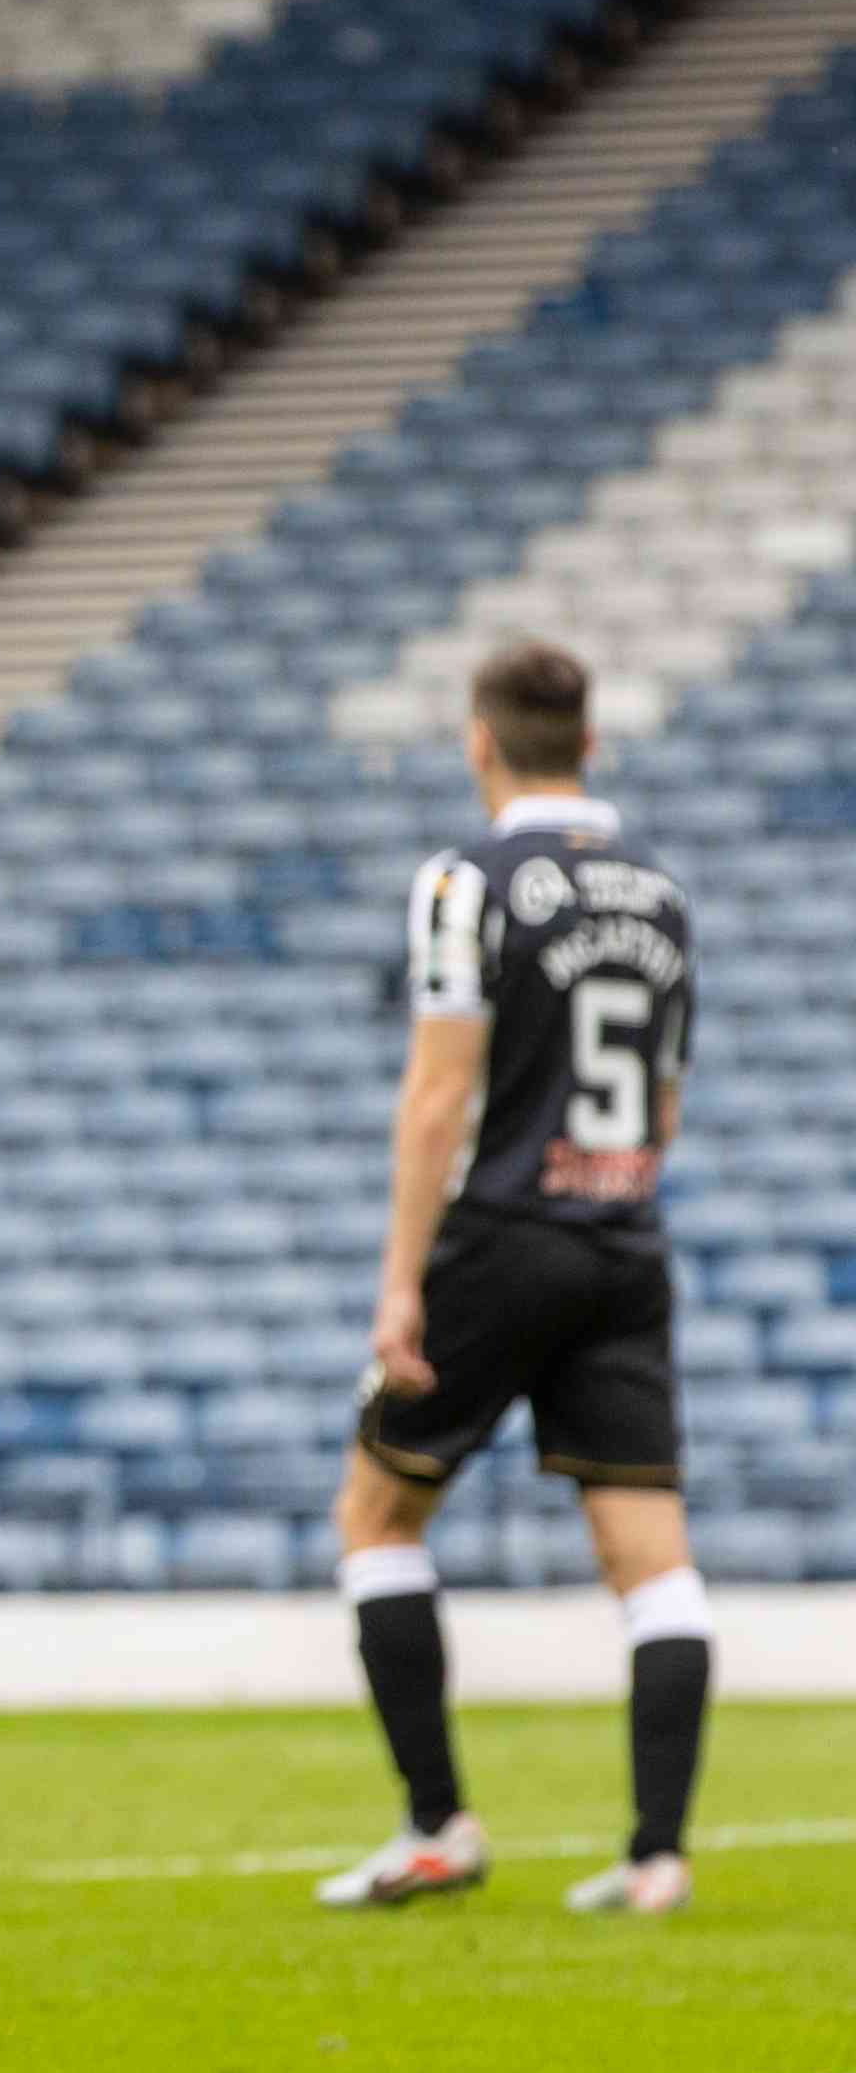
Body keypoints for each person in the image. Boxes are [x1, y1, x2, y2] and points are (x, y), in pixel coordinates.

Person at [315, 640, 708, 1918]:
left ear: (478, 741)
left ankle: (436, 1825)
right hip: (623, 1237)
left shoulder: (463, 882)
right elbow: (663, 1097)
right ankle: (655, 1852)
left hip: (499, 1235)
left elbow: (436, 1098)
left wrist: (398, 1285)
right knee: (650, 1559)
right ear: (588, 742)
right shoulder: (658, 890)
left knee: (374, 1519)